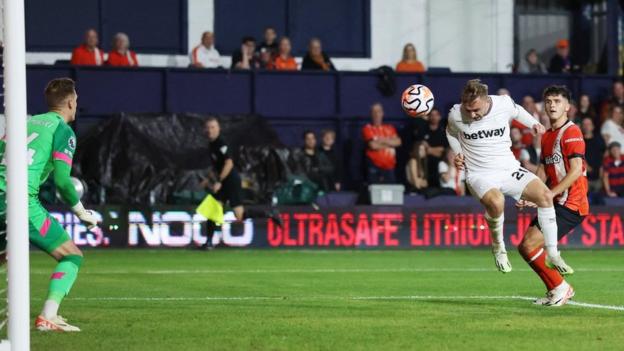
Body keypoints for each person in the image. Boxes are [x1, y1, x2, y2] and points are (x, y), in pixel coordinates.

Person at [0, 78, 98, 331]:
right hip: (17, 200)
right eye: (75, 101)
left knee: (2, 257)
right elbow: (63, 183)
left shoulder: (22, 123)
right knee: (72, 256)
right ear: (69, 102)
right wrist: (81, 212)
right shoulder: (63, 131)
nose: (76, 106)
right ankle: (48, 316)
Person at [446, 79, 571, 275]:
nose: (472, 114)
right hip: (480, 174)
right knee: (497, 202)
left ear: (487, 101)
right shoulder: (456, 113)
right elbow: (450, 132)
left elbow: (518, 111)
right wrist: (458, 152)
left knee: (545, 196)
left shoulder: (503, 104)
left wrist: (534, 123)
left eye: (476, 110)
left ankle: (553, 253)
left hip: (509, 169)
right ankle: (498, 246)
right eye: (468, 110)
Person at [516, 85, 588, 307]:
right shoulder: (547, 136)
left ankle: (561, 288)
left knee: (528, 245)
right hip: (554, 202)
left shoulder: (572, 132)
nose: (552, 105)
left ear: (568, 106)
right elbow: (543, 169)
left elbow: (576, 170)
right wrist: (532, 194)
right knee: (525, 246)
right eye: (548, 101)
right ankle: (557, 289)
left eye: (557, 101)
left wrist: (547, 194)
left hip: (571, 204)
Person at [199, 118, 280, 249]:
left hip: (231, 182)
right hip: (224, 182)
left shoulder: (221, 143)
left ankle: (269, 213)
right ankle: (208, 243)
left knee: (239, 215)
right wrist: (208, 179)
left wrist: (219, 181)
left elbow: (229, 163)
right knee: (212, 210)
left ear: (219, 129)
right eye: (208, 127)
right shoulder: (211, 144)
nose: (210, 130)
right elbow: (217, 166)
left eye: (213, 127)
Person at [362, 103, 401, 183]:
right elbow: (373, 145)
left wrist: (381, 140)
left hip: (390, 167)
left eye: (379, 111)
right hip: (374, 166)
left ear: (382, 113)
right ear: (371, 114)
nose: (376, 114)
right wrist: (390, 142)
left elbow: (398, 142)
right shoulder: (367, 128)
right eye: (374, 112)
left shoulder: (390, 128)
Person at [414, 108, 447, 187]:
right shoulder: (423, 130)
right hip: (426, 161)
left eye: (436, 115)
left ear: (439, 117)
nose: (434, 117)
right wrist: (434, 150)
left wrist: (429, 149)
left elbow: (443, 150)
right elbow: (421, 148)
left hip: (440, 160)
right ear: (428, 117)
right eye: (432, 115)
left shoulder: (443, 131)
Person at [581, 117, 605, 191]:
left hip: (598, 179)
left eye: (588, 124)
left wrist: (602, 174)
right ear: (581, 127)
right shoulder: (579, 140)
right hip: (584, 179)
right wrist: (585, 165)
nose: (586, 126)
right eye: (584, 124)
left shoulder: (599, 139)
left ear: (592, 126)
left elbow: (604, 155)